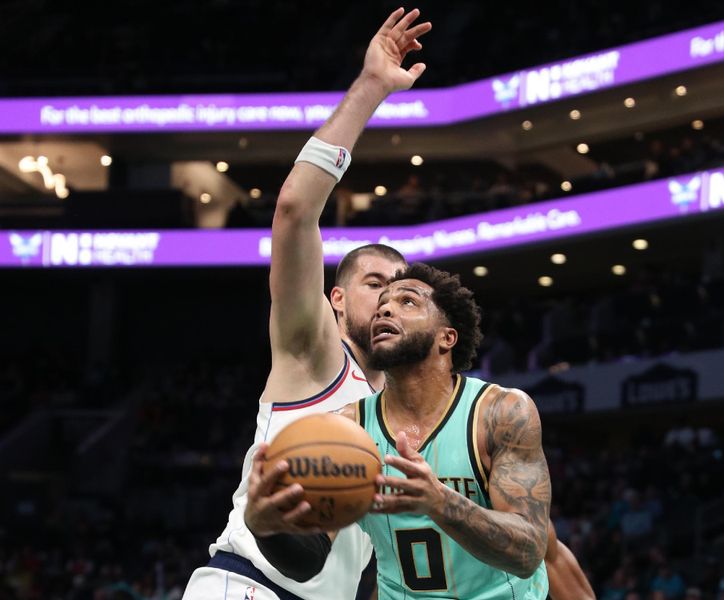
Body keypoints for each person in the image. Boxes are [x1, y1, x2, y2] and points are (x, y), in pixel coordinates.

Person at [181, 7, 428, 599]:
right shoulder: (313, 348)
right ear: (335, 301)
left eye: (402, 290)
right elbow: (294, 211)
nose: (390, 298)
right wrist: (372, 87)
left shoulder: (391, 421)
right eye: (375, 284)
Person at [252, 263, 552, 598]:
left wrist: (439, 501)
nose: (385, 310)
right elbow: (308, 560)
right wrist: (265, 528)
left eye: (407, 302)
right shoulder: (348, 429)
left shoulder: (500, 412)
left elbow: (528, 552)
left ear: (447, 337)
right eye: (381, 305)